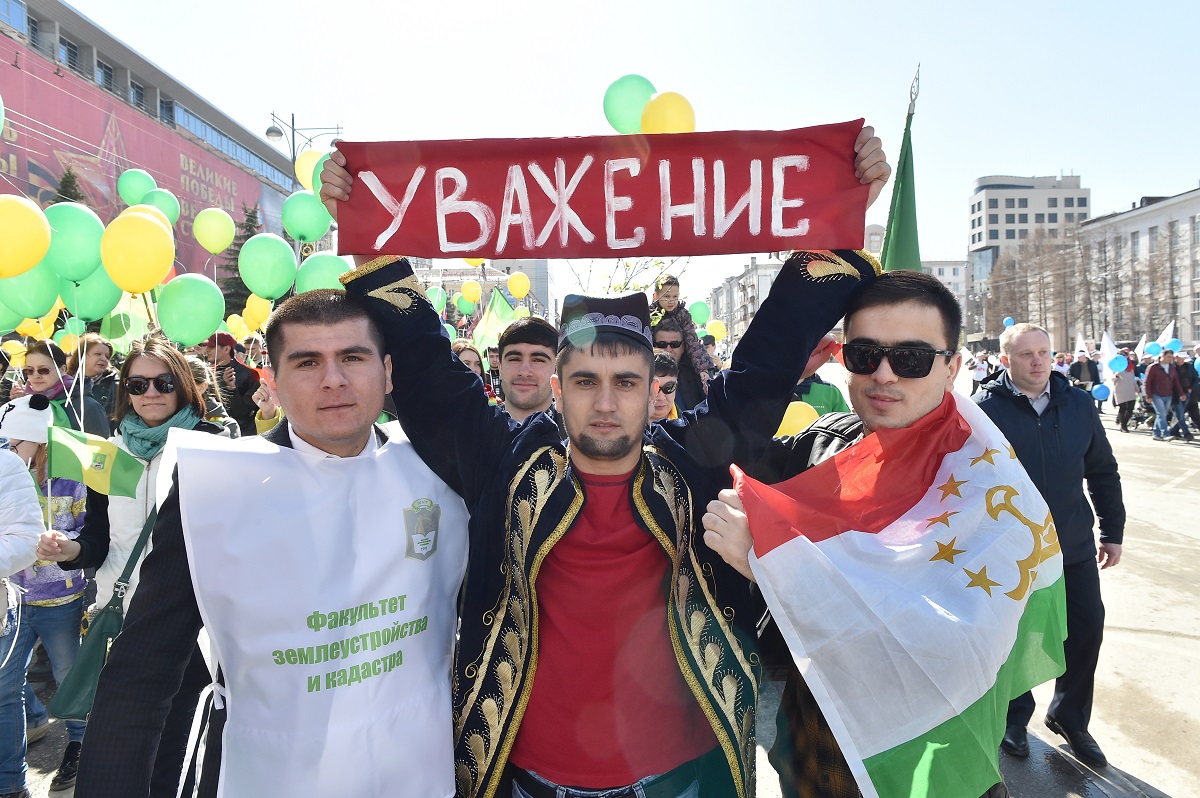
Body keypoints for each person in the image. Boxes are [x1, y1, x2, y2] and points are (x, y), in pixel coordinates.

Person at [68, 290, 469, 798]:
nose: (333, 379)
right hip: (271, 774)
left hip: (418, 772)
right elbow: (141, 673)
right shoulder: (216, 485)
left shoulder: (441, 466)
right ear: (273, 382)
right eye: (307, 362)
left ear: (387, 372)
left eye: (352, 357)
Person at [700, 271, 1009, 798]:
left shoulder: (984, 478)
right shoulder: (825, 444)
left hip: (925, 760)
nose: (883, 374)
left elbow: (949, 646)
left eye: (911, 358)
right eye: (865, 354)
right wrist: (778, 378)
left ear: (953, 367)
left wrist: (773, 565)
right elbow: (710, 463)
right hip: (812, 751)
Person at [37, 337, 224, 796]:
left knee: (179, 744)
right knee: (124, 745)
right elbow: (99, 540)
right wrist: (69, 550)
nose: (150, 393)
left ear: (183, 385)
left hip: (193, 621)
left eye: (163, 382)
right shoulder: (109, 453)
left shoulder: (212, 444)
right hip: (122, 616)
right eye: (137, 384)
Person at [975, 322, 1124, 768]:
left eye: (1044, 352)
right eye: (1027, 354)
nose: (1038, 361)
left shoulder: (1078, 404)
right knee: (1015, 637)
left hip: (1072, 545)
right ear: (1006, 360)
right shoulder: (983, 410)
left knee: (1086, 629)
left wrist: (1112, 531)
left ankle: (1069, 717)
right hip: (1012, 551)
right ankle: (1014, 718)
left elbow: (1102, 470)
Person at [0, 394, 89, 795]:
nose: (8, 451)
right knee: (6, 686)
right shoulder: (7, 472)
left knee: (69, 677)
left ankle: (79, 745)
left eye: (14, 444)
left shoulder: (70, 477)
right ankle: (10, 779)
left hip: (60, 601)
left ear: (39, 441)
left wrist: (64, 540)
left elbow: (89, 530)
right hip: (14, 602)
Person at [10, 342, 109, 437]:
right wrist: (18, 406)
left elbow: (101, 446)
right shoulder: (25, 402)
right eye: (29, 370)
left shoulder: (87, 406)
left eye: (44, 370)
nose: (36, 375)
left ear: (62, 370)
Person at [649, 274, 716, 396]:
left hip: (682, 365)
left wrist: (703, 370)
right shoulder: (650, 316)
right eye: (667, 296)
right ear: (656, 296)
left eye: (675, 297)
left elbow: (693, 343)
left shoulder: (682, 315)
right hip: (655, 365)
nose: (671, 301)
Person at [495, 316, 559, 425]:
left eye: (538, 360)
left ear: (557, 370)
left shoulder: (578, 432)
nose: (524, 372)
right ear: (500, 367)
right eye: (514, 359)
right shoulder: (473, 429)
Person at [195, 332, 260, 436]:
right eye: (207, 346)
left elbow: (244, 412)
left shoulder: (249, 374)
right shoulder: (207, 371)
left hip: (240, 434)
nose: (207, 350)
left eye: (212, 347)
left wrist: (231, 389)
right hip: (211, 431)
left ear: (226, 349)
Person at [66, 333, 119, 430]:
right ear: (82, 355)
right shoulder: (65, 384)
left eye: (107, 356)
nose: (104, 359)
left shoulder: (115, 385)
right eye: (98, 354)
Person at [653, 319, 705, 412]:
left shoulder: (697, 374)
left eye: (674, 344)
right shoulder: (644, 374)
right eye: (662, 344)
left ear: (683, 347)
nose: (668, 349)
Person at [185, 356, 239, 438]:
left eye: (182, 383)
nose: (171, 388)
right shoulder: (166, 417)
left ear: (201, 387)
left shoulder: (226, 426)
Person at [1143, 349, 1187, 442]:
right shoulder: (1153, 367)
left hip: (1168, 394)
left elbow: (1176, 381)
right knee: (1161, 414)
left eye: (1171, 357)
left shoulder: (1171, 367)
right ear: (1162, 356)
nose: (1170, 359)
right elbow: (1147, 382)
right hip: (1156, 394)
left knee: (1162, 415)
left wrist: (1181, 393)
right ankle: (1165, 434)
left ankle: (1156, 433)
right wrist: (1148, 395)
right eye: (1168, 357)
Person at [452, 340, 501, 405]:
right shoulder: (441, 399)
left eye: (477, 364)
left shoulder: (493, 402)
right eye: (466, 363)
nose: (474, 369)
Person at [1169, 351, 1196, 440]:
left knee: (1178, 414)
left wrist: (1191, 387)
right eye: (1181, 358)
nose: (1182, 360)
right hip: (1175, 394)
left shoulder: (1189, 366)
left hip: (1187, 392)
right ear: (1176, 358)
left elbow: (1195, 378)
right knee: (1179, 413)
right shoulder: (1171, 367)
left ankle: (1173, 431)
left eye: (1184, 358)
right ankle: (1187, 433)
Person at [1111, 353, 1138, 433]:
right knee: (1123, 408)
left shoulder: (1131, 367)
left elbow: (1133, 378)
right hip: (1120, 390)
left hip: (1130, 390)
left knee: (1130, 408)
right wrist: (1116, 375)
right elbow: (1112, 379)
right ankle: (1123, 426)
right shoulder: (1117, 367)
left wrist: (1137, 388)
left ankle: (1125, 422)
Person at [649, 351, 678, 422]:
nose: (661, 397)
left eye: (668, 388)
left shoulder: (692, 425)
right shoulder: (624, 426)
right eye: (654, 388)